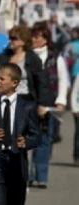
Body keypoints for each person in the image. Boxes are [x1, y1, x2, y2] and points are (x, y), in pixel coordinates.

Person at [0, 64, 40, 205]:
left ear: (14, 83)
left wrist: (25, 142)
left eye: (2, 79)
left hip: (16, 160)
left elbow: (36, 136)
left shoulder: (27, 107)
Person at [29, 21, 69, 188]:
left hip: (49, 105)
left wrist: (60, 101)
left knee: (44, 139)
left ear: (45, 39)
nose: (34, 39)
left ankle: (41, 176)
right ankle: (28, 175)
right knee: (27, 141)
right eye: (33, 36)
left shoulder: (55, 57)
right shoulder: (27, 55)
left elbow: (62, 79)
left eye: (38, 36)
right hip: (29, 104)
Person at [0, 25, 50, 118]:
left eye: (14, 39)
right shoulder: (3, 57)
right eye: (10, 38)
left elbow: (41, 83)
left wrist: (41, 104)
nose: (10, 41)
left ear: (23, 41)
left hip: (26, 100)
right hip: (6, 99)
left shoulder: (33, 59)